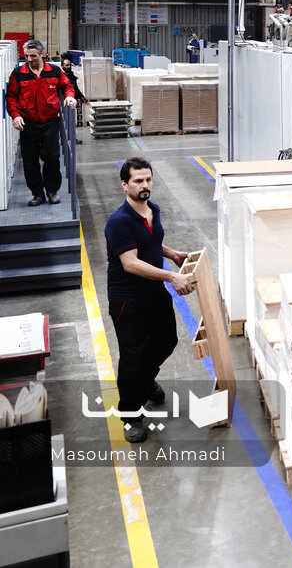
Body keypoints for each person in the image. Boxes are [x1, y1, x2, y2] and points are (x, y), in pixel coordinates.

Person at [104, 158, 195, 444]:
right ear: (124, 184)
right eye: (138, 181)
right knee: (133, 358)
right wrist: (171, 276)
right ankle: (131, 417)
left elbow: (150, 241)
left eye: (148, 179)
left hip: (154, 293)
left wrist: (172, 254)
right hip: (128, 300)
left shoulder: (152, 210)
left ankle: (144, 380)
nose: (145, 185)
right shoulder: (119, 221)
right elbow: (130, 262)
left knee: (167, 341)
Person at [5, 39, 77, 206]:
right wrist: (15, 116)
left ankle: (52, 191)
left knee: (51, 157)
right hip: (27, 124)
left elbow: (67, 86)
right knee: (30, 161)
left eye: (33, 56)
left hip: (50, 122)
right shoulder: (18, 73)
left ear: (42, 54)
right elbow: (11, 97)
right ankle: (37, 194)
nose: (29, 59)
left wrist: (69, 97)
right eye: (26, 56)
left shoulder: (54, 71)